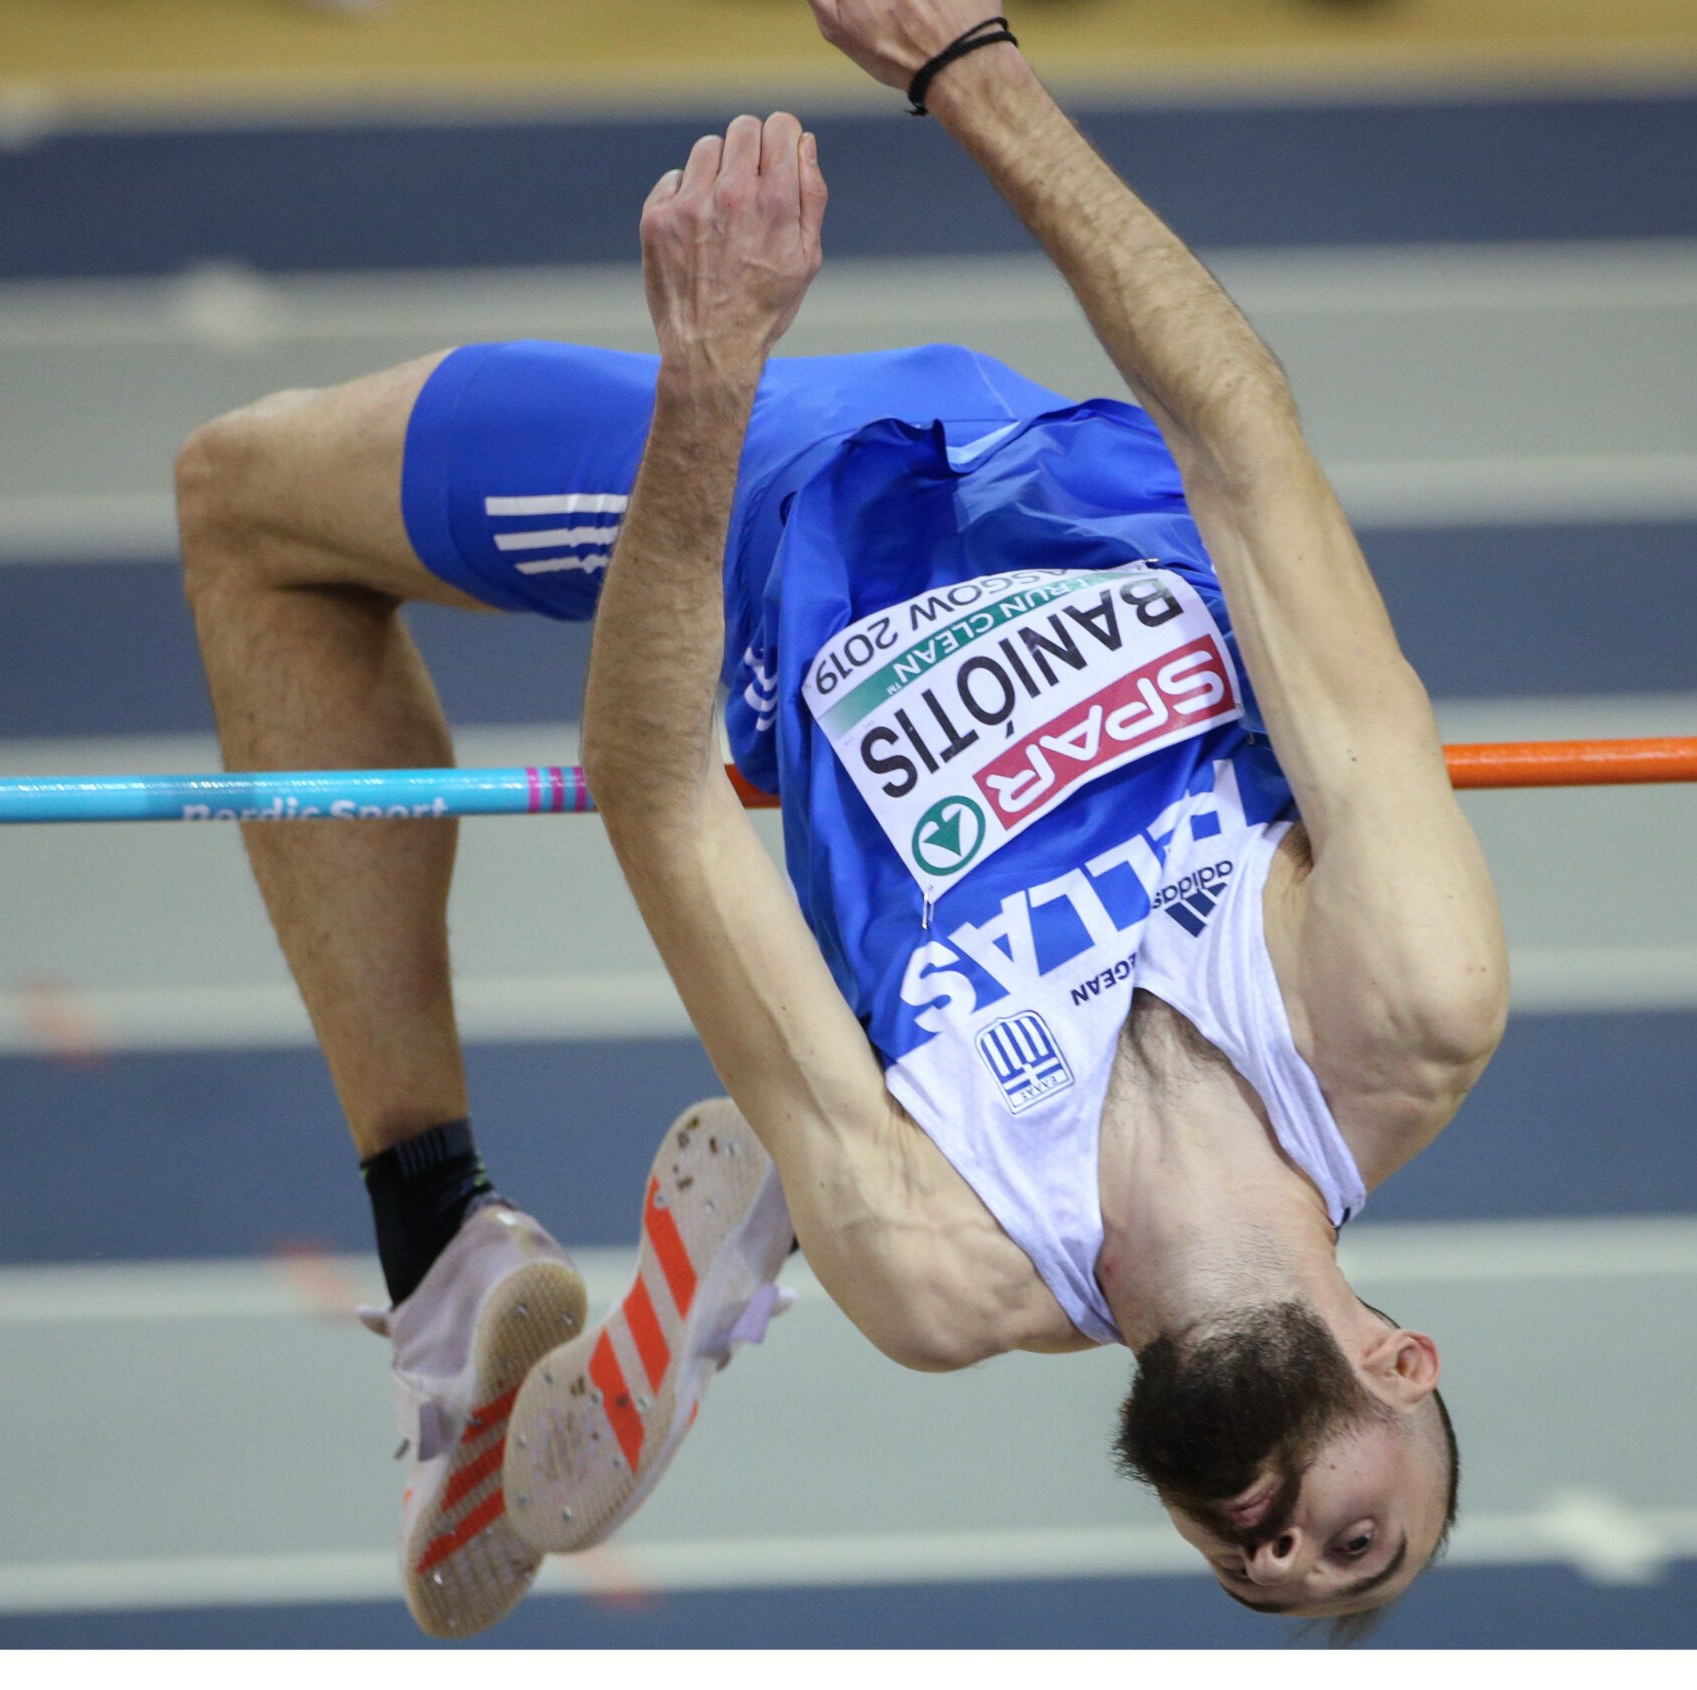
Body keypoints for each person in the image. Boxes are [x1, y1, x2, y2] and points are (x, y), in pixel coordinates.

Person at [176, 0, 1508, 1641]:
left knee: (242, 507)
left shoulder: (942, 1254)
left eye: (1252, 1581)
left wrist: (709, 380)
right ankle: (612, 1248)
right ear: (1398, 1360)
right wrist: (972, 68)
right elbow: (1241, 444)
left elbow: (661, 800)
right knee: (247, 502)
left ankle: (436, 1246)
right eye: (1355, 1540)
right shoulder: (1400, 1006)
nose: (1282, 1561)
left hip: (774, 513)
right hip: (1061, 473)